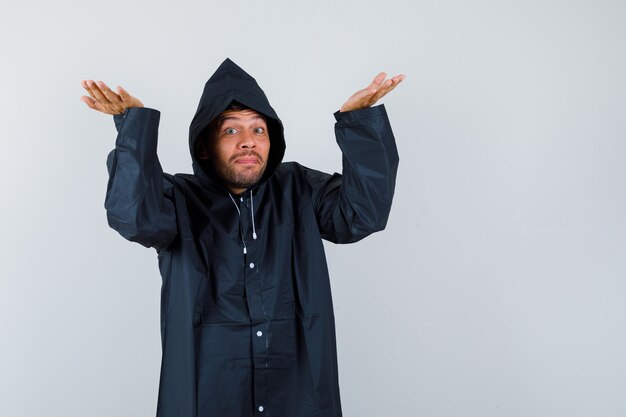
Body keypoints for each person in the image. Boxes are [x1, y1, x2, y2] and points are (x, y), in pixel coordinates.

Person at [80, 58, 404, 417]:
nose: (249, 142)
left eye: (259, 130)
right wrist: (134, 129)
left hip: (297, 399)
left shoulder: (299, 189)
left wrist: (358, 125)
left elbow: (362, 214)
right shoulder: (178, 200)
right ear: (205, 145)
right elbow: (132, 216)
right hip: (207, 399)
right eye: (231, 131)